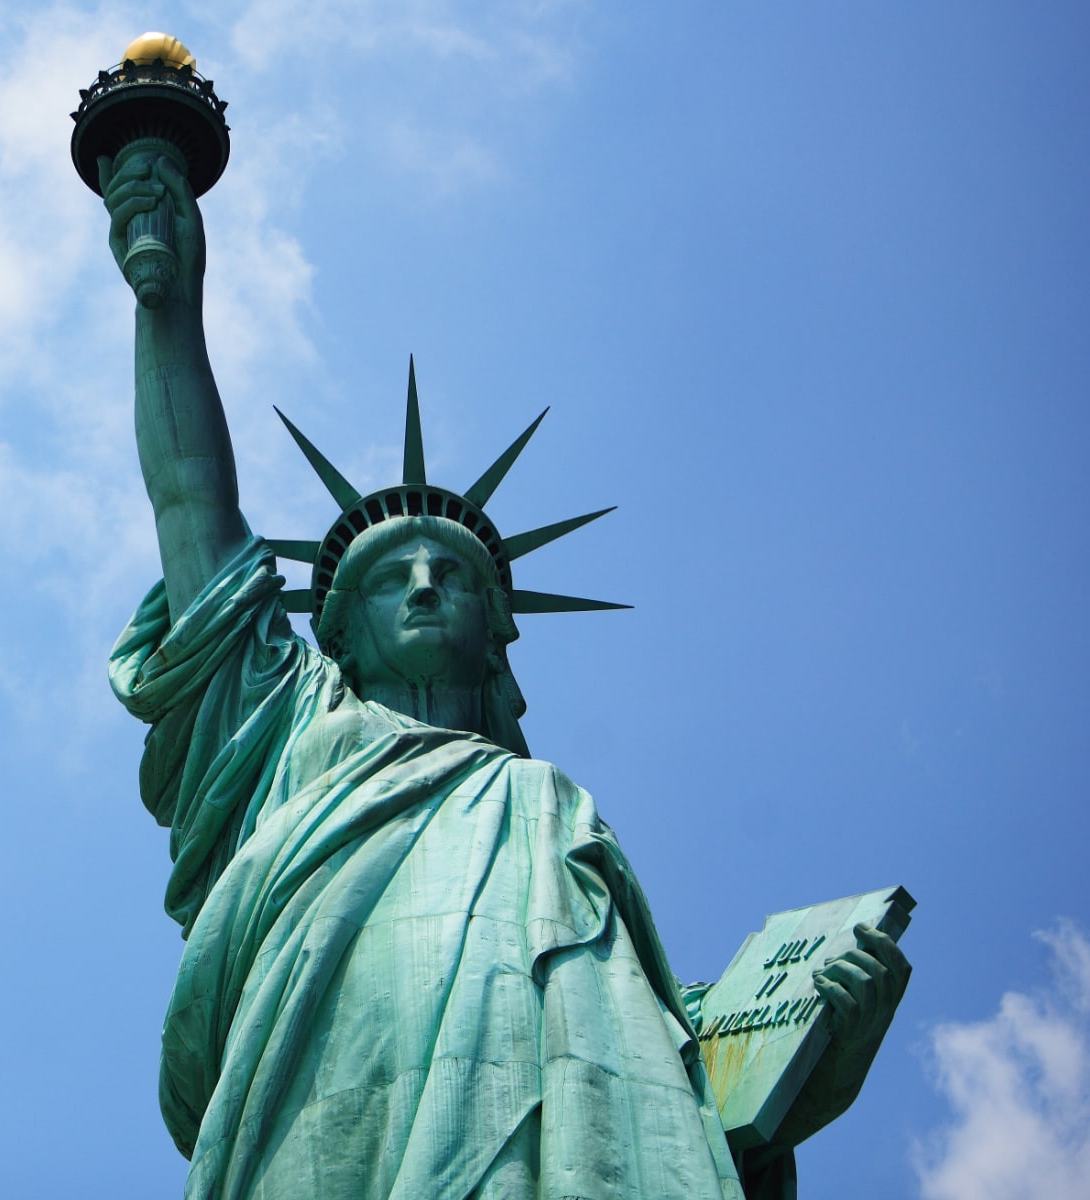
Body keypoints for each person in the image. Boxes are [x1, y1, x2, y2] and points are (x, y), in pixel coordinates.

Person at [101, 154, 910, 1200]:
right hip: (321, 1103)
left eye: (456, 577)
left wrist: (809, 1050)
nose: (428, 583)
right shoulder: (287, 732)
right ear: (336, 633)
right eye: (395, 575)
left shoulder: (544, 809)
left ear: (496, 637)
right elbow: (188, 506)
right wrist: (168, 303)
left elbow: (672, 1086)